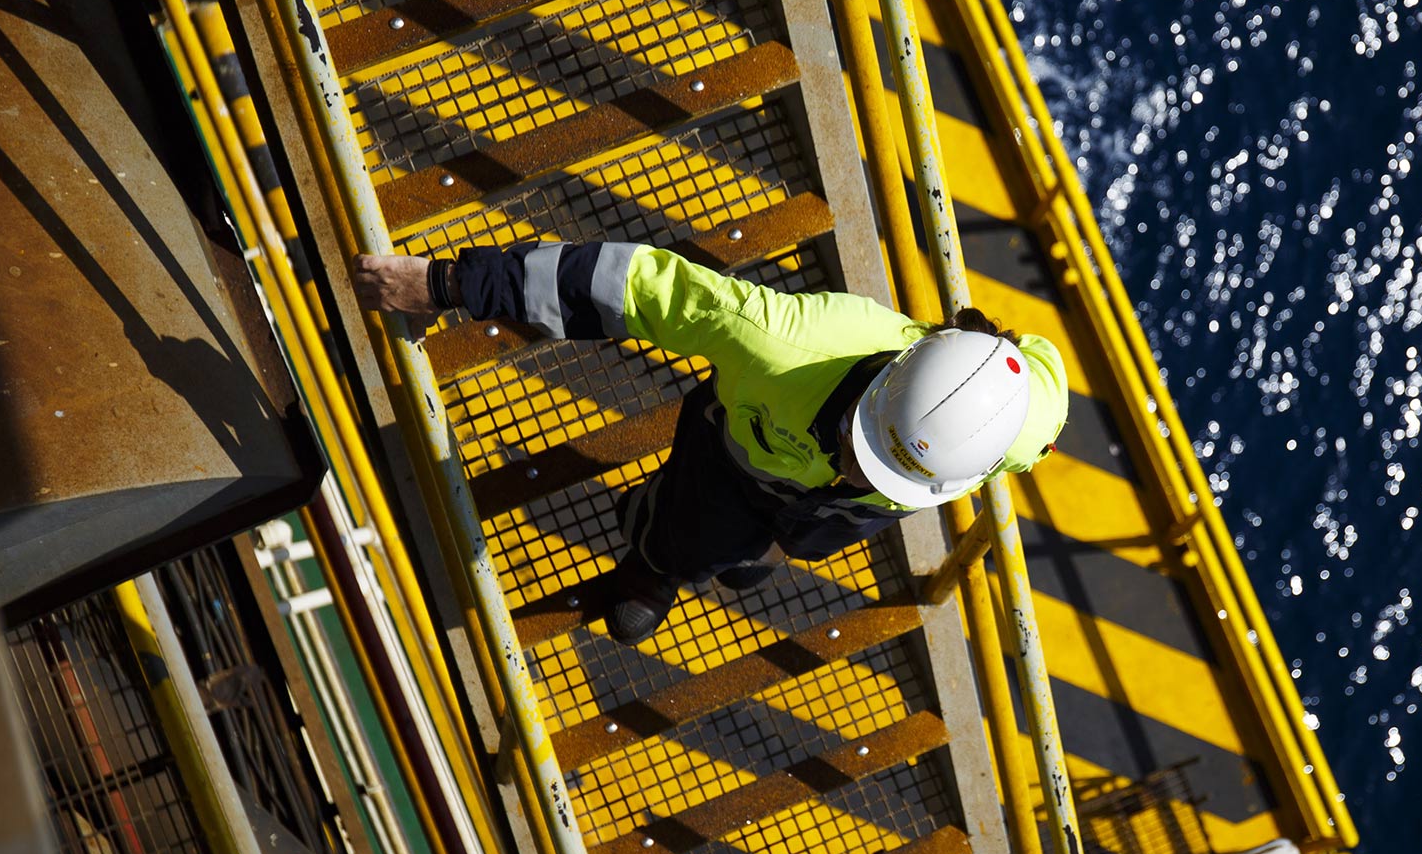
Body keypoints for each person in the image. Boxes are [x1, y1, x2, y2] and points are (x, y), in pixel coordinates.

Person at [353, 241, 1066, 644]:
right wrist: (447, 283)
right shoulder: (785, 342)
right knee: (692, 537)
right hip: (734, 458)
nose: (858, 469)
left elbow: (1039, 385)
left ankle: (746, 553)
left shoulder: (1016, 420)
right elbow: (629, 285)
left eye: (888, 467)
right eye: (867, 446)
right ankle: (656, 558)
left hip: (822, 512)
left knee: (779, 551)